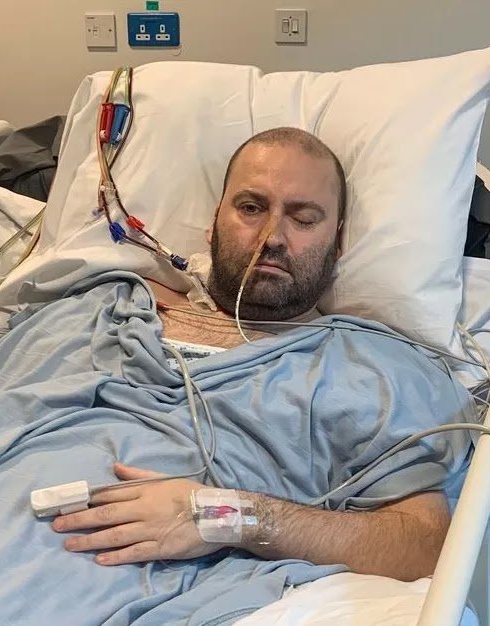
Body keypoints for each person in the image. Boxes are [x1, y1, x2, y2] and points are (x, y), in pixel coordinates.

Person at [50, 127, 453, 583]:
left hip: (110, 578)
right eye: (250, 208)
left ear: (338, 243)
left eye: (304, 219)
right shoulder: (107, 306)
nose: (272, 236)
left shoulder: (367, 367)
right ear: (214, 221)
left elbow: (424, 546)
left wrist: (225, 516)